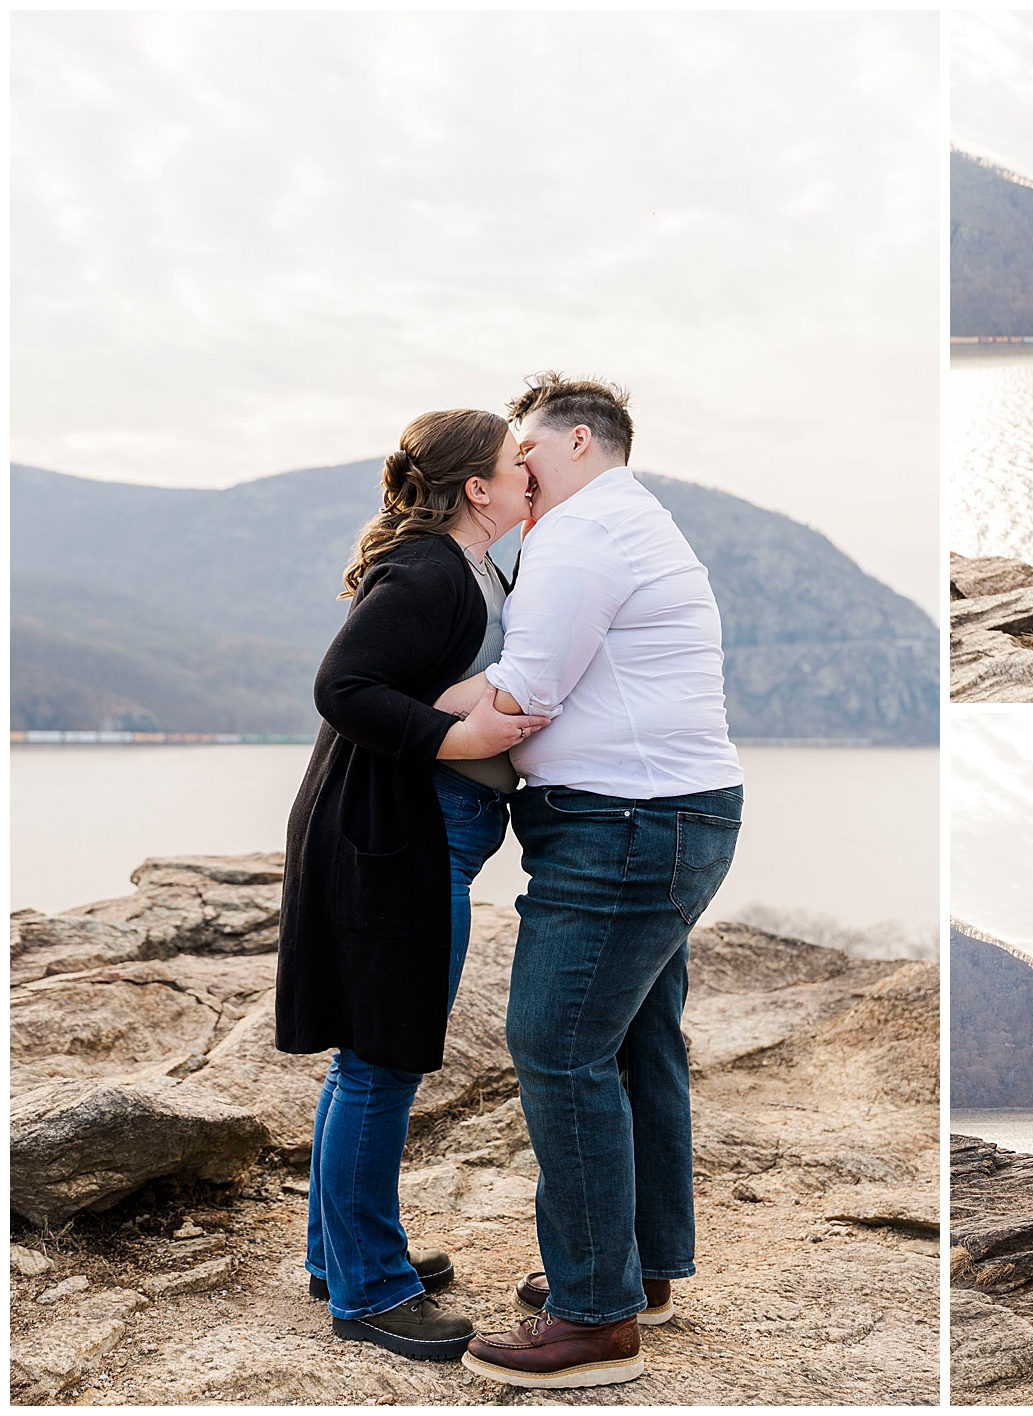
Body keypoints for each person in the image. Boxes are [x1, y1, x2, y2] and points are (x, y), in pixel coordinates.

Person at [445, 374, 745, 1390]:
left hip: (624, 825)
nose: (512, 465)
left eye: (523, 448)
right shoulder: (634, 520)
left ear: (576, 443)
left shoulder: (578, 534)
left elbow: (522, 693)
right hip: (670, 816)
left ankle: (592, 1319)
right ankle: (638, 1269)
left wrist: (379, 700)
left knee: (557, 1044)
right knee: (633, 1043)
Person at [275, 409, 548, 1361]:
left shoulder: (469, 566)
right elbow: (343, 685)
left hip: (412, 834)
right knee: (382, 1064)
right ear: (478, 490)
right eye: (519, 465)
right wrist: (458, 737)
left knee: (369, 1059)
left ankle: (336, 1254)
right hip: (398, 839)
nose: (531, 476)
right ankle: (371, 1291)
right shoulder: (431, 569)